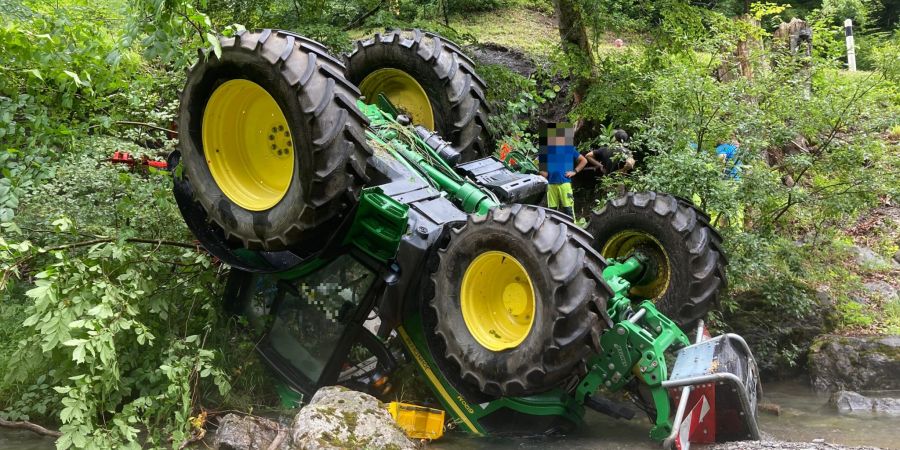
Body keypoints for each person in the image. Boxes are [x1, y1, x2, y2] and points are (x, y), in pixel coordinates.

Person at [538, 122, 586, 220]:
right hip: (551, 185)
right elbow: (545, 174)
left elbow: (584, 160)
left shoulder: (569, 149)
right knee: (552, 212)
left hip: (565, 183)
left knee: (568, 211)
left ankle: (573, 232)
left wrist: (574, 171)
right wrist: (539, 169)